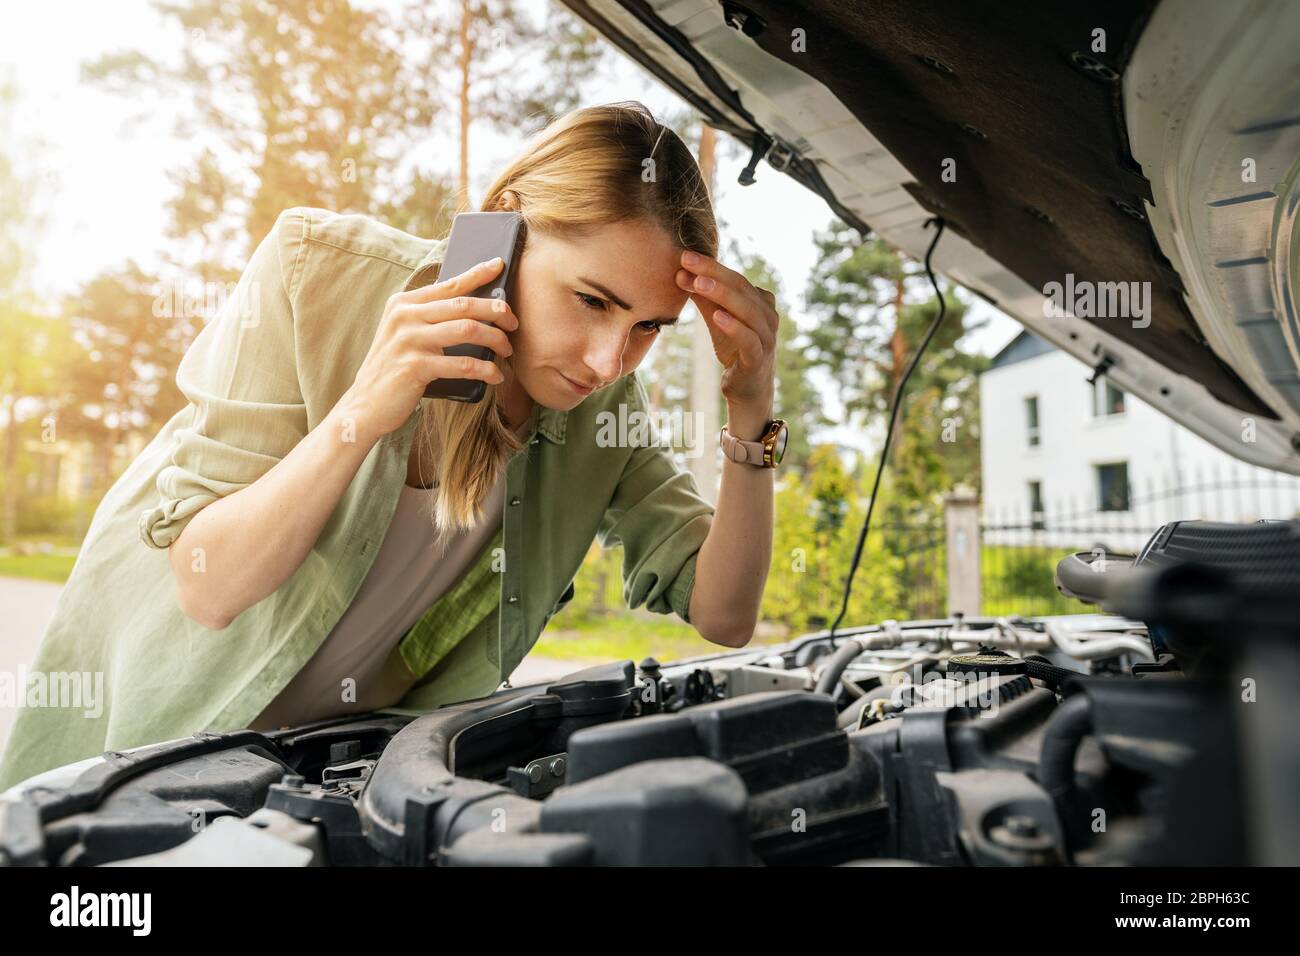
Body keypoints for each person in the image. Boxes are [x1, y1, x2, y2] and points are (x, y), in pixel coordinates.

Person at [0, 101, 787, 790]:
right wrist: (363, 414)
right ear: (507, 221)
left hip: (315, 776)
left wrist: (752, 413)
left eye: (649, 326)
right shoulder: (316, 272)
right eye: (591, 300)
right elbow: (210, 589)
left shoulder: (604, 409)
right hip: (155, 722)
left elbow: (724, 615)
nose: (609, 360)